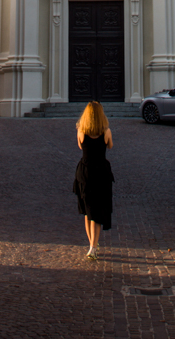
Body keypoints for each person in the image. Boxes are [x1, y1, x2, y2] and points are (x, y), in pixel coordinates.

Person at [73, 101, 114, 260]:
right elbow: (110, 146)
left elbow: (80, 146)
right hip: (101, 173)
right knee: (96, 211)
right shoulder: (106, 131)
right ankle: (93, 247)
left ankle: (92, 246)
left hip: (84, 173)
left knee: (87, 211)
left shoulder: (81, 131)